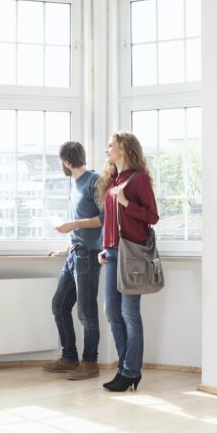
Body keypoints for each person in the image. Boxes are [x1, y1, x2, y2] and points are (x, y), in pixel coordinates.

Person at [97, 131, 159, 392]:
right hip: (112, 252)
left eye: (111, 145)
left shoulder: (139, 179)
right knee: (111, 312)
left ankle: (130, 371)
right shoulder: (112, 180)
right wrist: (104, 246)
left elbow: (152, 217)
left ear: (123, 148)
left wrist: (126, 203)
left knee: (129, 313)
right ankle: (125, 366)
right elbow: (110, 220)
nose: (107, 149)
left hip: (132, 254)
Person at [42, 141, 104, 381]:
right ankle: (69, 357)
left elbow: (104, 219)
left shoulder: (94, 181)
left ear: (66, 162)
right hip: (75, 254)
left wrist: (73, 225)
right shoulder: (74, 184)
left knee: (87, 313)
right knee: (59, 305)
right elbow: (79, 223)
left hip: (88, 255)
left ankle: (90, 363)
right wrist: (65, 248)